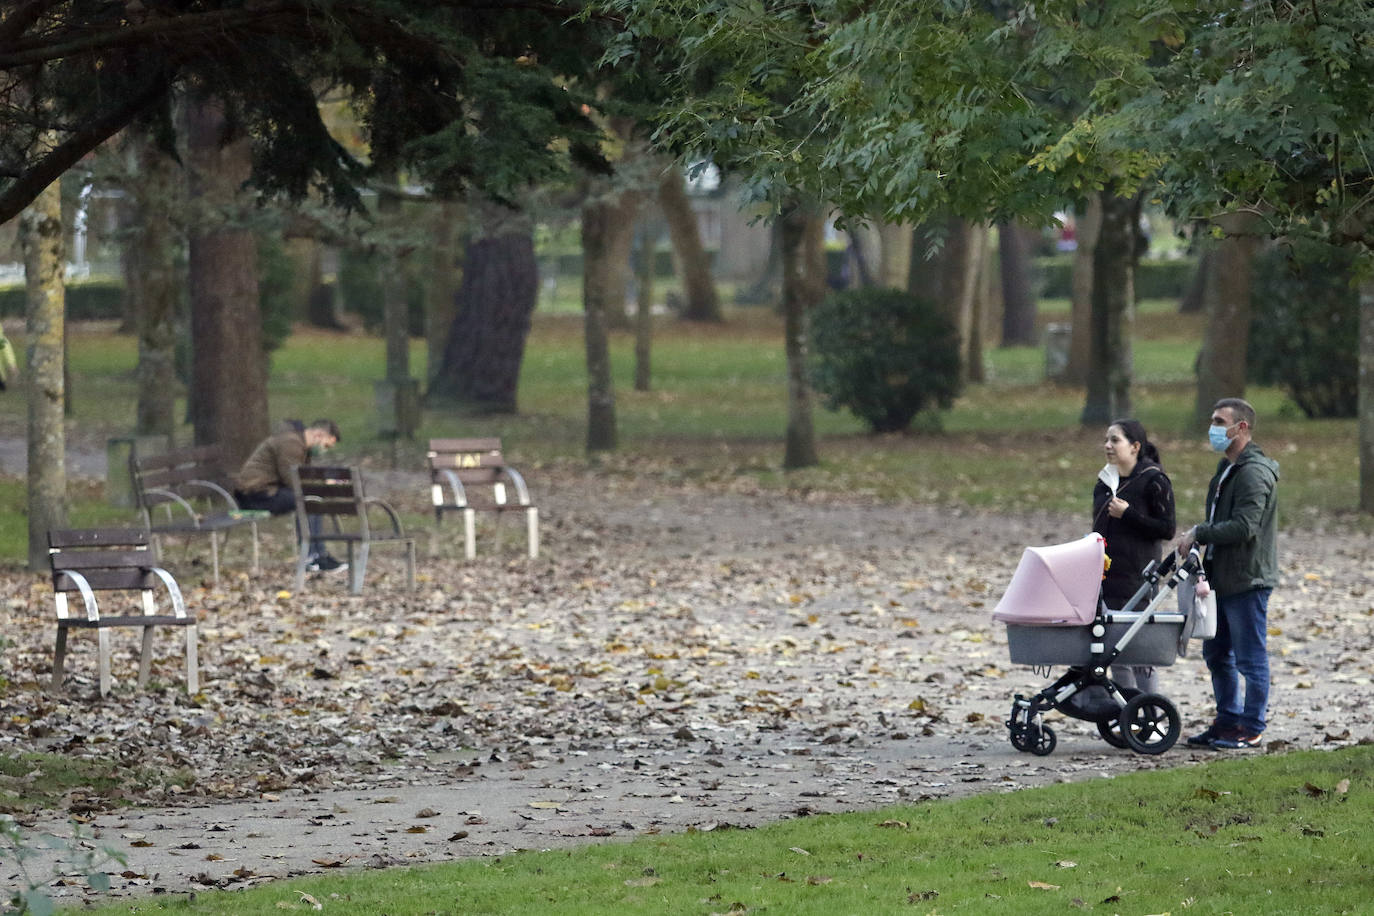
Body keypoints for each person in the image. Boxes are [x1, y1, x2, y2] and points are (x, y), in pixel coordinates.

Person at [1172, 398, 1280, 750]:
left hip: (1247, 579)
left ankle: (1251, 727)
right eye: (1213, 420)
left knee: (1250, 658)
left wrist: (1200, 533)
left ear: (1242, 428)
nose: (1214, 428)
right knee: (1217, 655)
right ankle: (1227, 721)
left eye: (1220, 422)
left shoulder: (1254, 472)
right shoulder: (1227, 469)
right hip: (1220, 578)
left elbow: (1246, 526)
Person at [1092, 419, 1176, 696]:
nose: (1108, 446)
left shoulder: (1154, 479)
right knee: (1115, 649)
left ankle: (1149, 711)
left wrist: (1129, 514)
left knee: (1139, 649)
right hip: (1107, 576)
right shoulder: (1105, 481)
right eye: (1107, 440)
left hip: (1139, 575)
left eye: (1115, 440)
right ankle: (1124, 711)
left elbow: (1167, 528)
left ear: (1135, 446)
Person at [234, 418, 348, 572]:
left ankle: (318, 554)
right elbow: (292, 480)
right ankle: (311, 556)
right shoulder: (291, 444)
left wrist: (322, 483)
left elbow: (302, 478)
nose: (324, 450)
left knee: (313, 499)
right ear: (319, 435)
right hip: (254, 495)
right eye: (326, 445)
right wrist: (323, 485)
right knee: (309, 500)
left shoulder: (300, 446)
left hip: (268, 490)